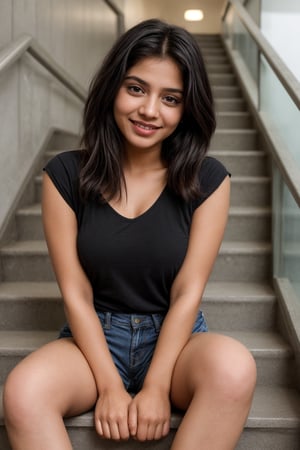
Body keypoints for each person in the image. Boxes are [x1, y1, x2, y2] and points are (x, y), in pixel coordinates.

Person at [3, 18, 256, 450]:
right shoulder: (65, 174)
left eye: (170, 98)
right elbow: (76, 292)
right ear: (112, 89)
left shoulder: (208, 179)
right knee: (23, 391)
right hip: (93, 341)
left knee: (234, 367)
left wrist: (156, 386)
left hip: (176, 342)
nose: (149, 110)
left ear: (187, 108)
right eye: (136, 89)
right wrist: (109, 387)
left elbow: (187, 290)